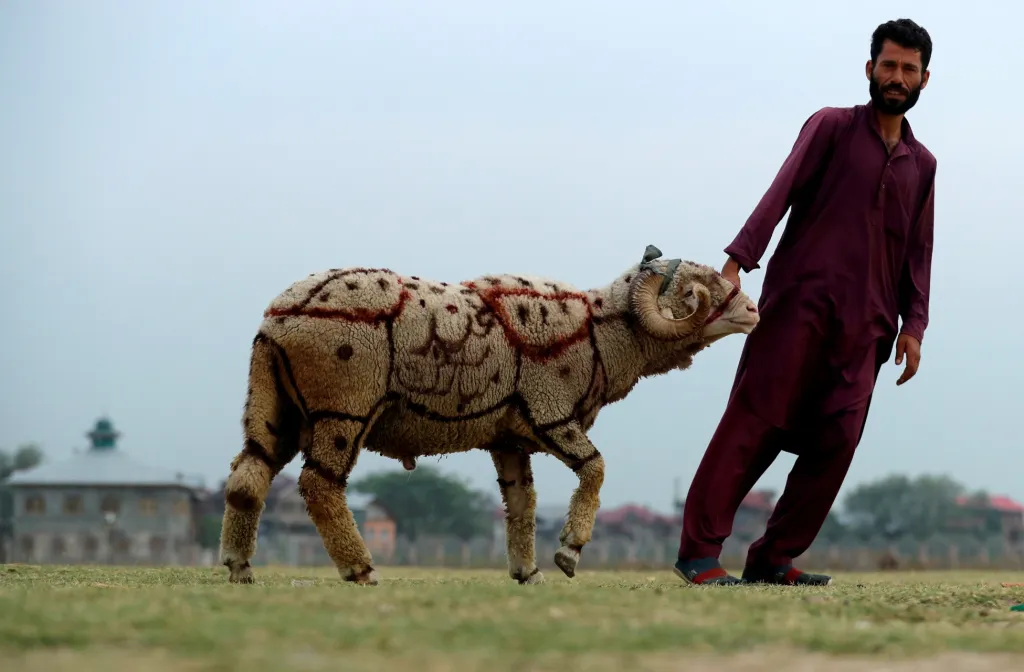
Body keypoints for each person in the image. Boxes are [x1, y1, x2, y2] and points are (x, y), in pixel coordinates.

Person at [674, 18, 936, 586]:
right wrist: (737, 261)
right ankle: (698, 551)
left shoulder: (923, 165)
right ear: (869, 69)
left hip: (868, 326)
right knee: (755, 421)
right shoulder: (831, 127)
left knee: (838, 440)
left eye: (908, 69)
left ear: (924, 79)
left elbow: (919, 252)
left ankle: (773, 557)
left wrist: (914, 325)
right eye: (888, 65)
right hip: (798, 307)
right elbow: (781, 191)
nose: (897, 77)